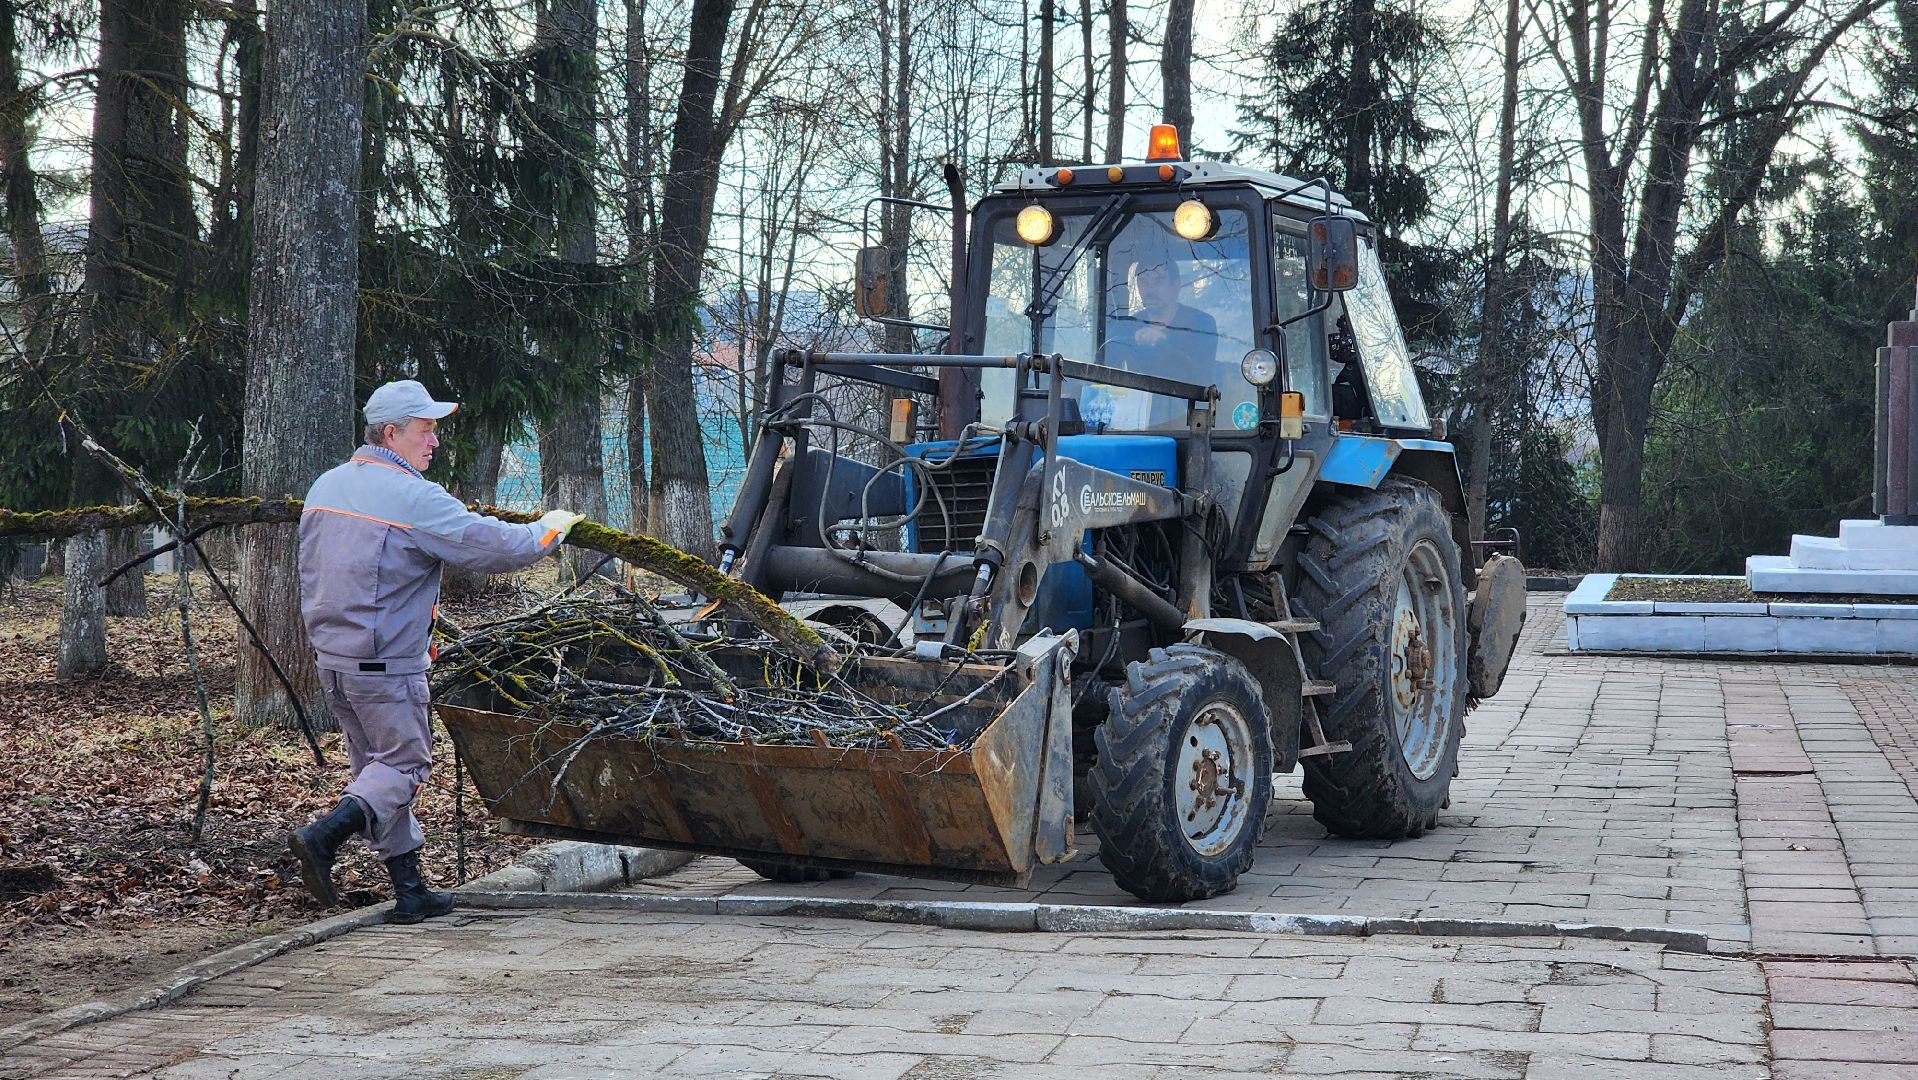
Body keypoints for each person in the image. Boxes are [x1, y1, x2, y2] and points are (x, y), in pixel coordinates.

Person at [287, 379, 584, 923]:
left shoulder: (326, 486)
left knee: (377, 772)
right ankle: (323, 836)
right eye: (426, 430)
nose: (435, 442)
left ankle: (410, 890)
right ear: (392, 433)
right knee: (404, 764)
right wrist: (550, 529)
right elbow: (493, 546)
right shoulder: (412, 497)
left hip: (332, 658)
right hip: (385, 663)